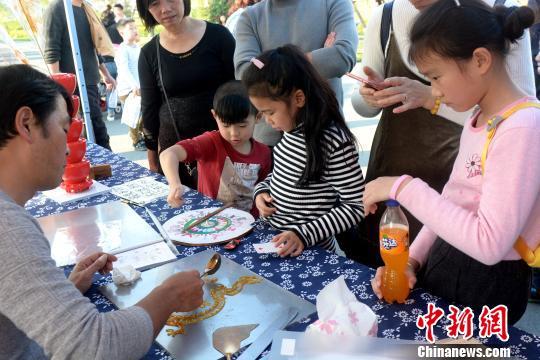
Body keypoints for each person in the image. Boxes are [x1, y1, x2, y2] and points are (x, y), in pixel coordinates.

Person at [0, 64, 204, 358]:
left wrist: (63, 293)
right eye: (62, 129)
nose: (69, 149)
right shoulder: (8, 227)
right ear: (26, 124)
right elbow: (96, 348)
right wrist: (170, 294)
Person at [366, 0, 539, 325]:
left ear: (479, 60)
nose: (434, 91)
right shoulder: (481, 117)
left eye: (435, 77)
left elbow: (489, 244)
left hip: (487, 284)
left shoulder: (522, 127)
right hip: (449, 258)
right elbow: (454, 199)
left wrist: (401, 187)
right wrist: (412, 260)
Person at [244, 45, 365, 257]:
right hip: (274, 242)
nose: (266, 120)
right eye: (262, 113)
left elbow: (356, 206)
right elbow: (282, 176)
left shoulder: (333, 142)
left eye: (270, 112)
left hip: (309, 252)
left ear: (298, 99)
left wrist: (303, 234)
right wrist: (261, 191)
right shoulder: (290, 131)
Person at [137, 0, 235, 189]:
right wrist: (153, 160)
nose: (165, 9)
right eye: (155, 3)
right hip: (175, 155)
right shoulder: (149, 53)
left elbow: (237, 90)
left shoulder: (219, 36)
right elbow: (149, 108)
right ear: (146, 10)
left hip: (222, 146)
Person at [234, 0, 358, 147]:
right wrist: (318, 58)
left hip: (325, 136)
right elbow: (246, 72)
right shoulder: (250, 17)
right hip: (270, 141)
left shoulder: (333, 3)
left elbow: (342, 57)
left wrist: (269, 68)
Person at [160, 80, 271, 215]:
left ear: (258, 117)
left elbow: (261, 191)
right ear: (215, 116)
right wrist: (174, 183)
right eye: (226, 125)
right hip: (210, 220)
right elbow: (169, 154)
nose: (234, 133)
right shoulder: (211, 142)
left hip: (248, 223)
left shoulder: (264, 153)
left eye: (242, 126)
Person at [43, 0, 116, 150]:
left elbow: (93, 47)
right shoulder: (57, 7)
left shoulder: (86, 8)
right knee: (87, 132)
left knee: (97, 128)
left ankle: (106, 167)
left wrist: (106, 74)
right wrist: (59, 84)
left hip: (90, 81)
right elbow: (51, 49)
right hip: (71, 84)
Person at [115, 18, 146, 151]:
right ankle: (136, 140)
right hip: (128, 89)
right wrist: (134, 86)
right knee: (134, 115)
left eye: (135, 27)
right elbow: (124, 70)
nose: (135, 30)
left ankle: (141, 136)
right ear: (122, 33)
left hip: (139, 86)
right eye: (131, 28)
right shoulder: (123, 50)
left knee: (145, 111)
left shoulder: (137, 48)